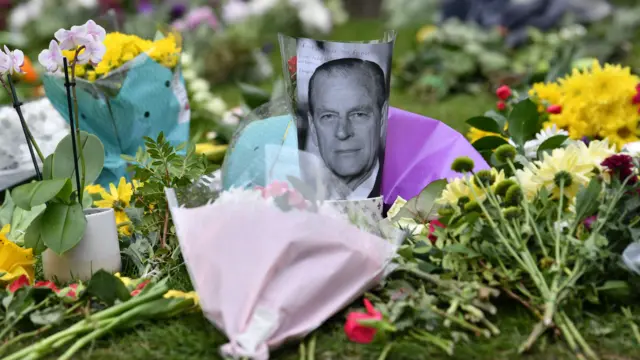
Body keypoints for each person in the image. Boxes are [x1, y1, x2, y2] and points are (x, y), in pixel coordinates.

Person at [306, 58, 387, 200]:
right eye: (328, 116)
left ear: (382, 118)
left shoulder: (410, 194)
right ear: (313, 126)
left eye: (358, 115)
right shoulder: (287, 196)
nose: (342, 132)